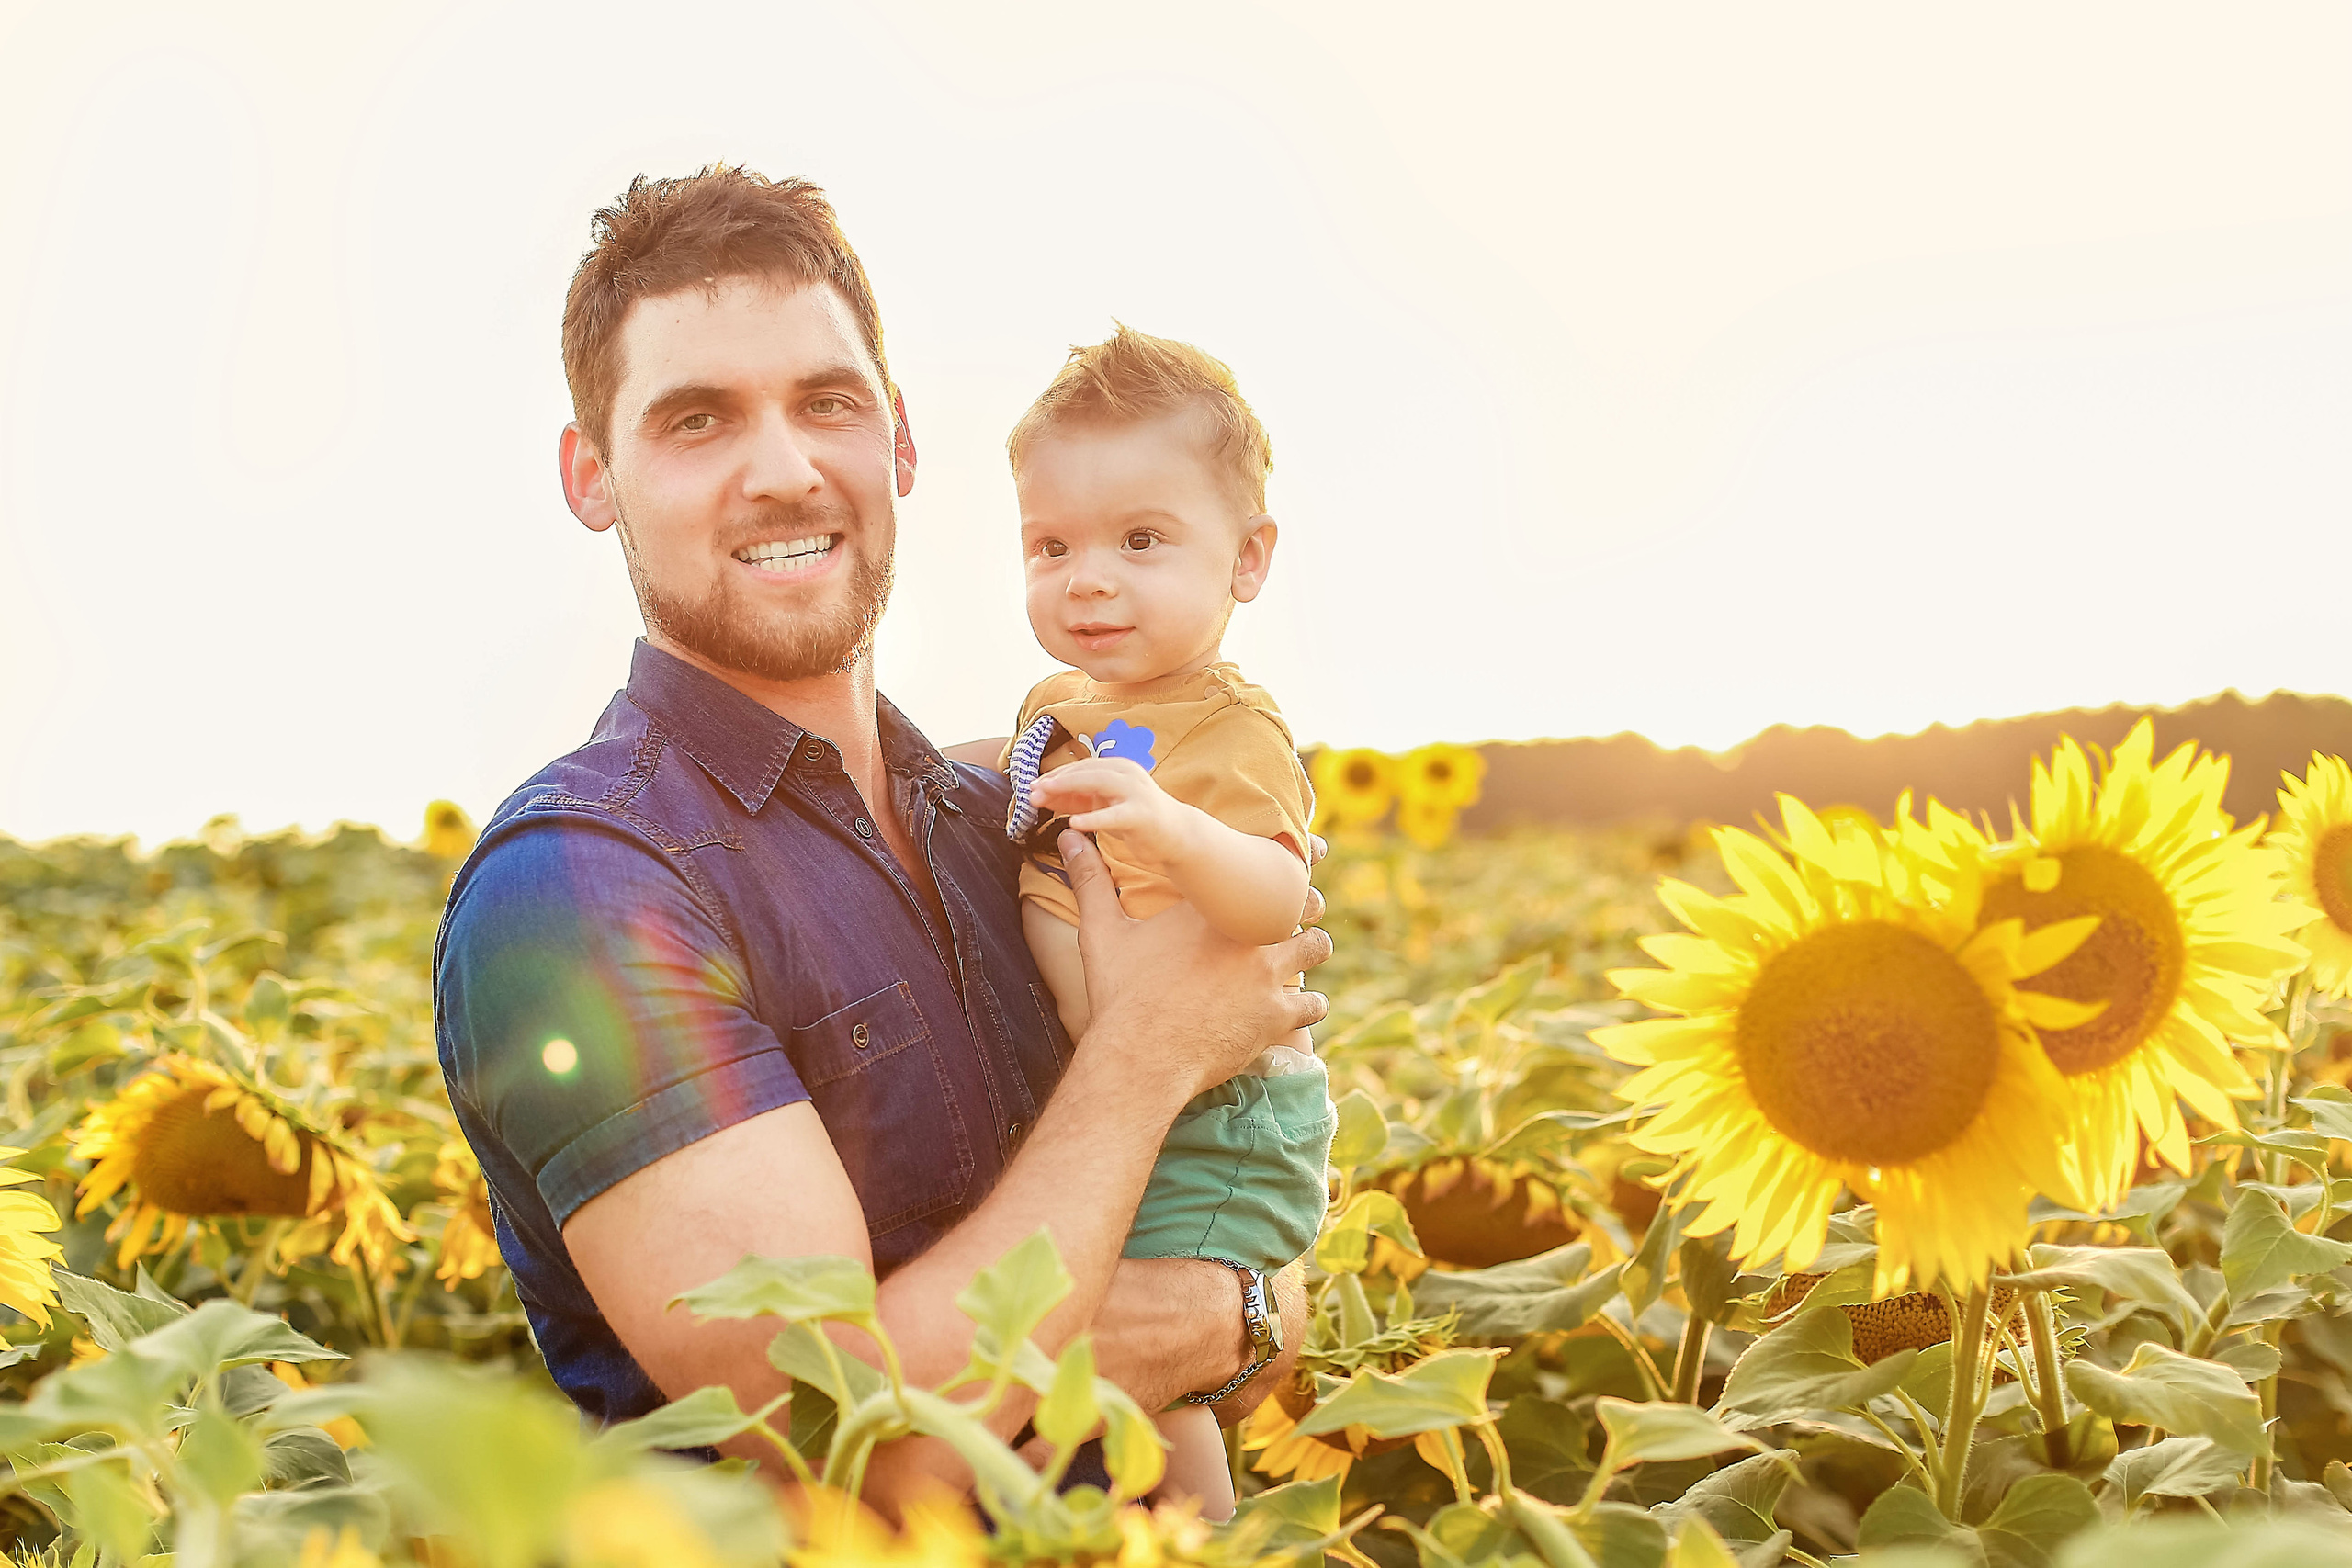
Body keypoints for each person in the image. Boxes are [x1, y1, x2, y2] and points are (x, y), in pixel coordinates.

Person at [432, 165, 1331, 1511]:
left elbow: (1268, 1285)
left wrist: (1240, 1310)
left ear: (900, 440)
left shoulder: (1010, 817)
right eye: (696, 420)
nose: (784, 469)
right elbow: (864, 1446)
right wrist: (1147, 1059)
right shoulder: (578, 894)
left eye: (827, 403)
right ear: (592, 475)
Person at [993, 328, 1335, 1516]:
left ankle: (1202, 1540)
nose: (1088, 576)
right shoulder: (1057, 703)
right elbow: (1005, 780)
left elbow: (1277, 899)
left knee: (1155, 1359)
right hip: (1129, 1088)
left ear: (1246, 560)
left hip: (1219, 1108)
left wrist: (1177, 833)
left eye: (1141, 540)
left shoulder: (1229, 732)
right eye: (1052, 544)